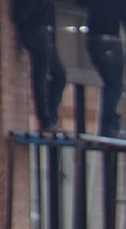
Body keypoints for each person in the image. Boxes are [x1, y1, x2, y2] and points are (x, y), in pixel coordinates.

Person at [12, 0, 66, 134]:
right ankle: (46, 121)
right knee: (41, 76)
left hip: (44, 32)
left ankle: (51, 120)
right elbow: (21, 13)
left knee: (60, 76)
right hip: (36, 30)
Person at [85, 0, 126, 137]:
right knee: (115, 85)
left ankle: (110, 126)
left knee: (110, 84)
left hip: (92, 40)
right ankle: (109, 127)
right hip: (109, 41)